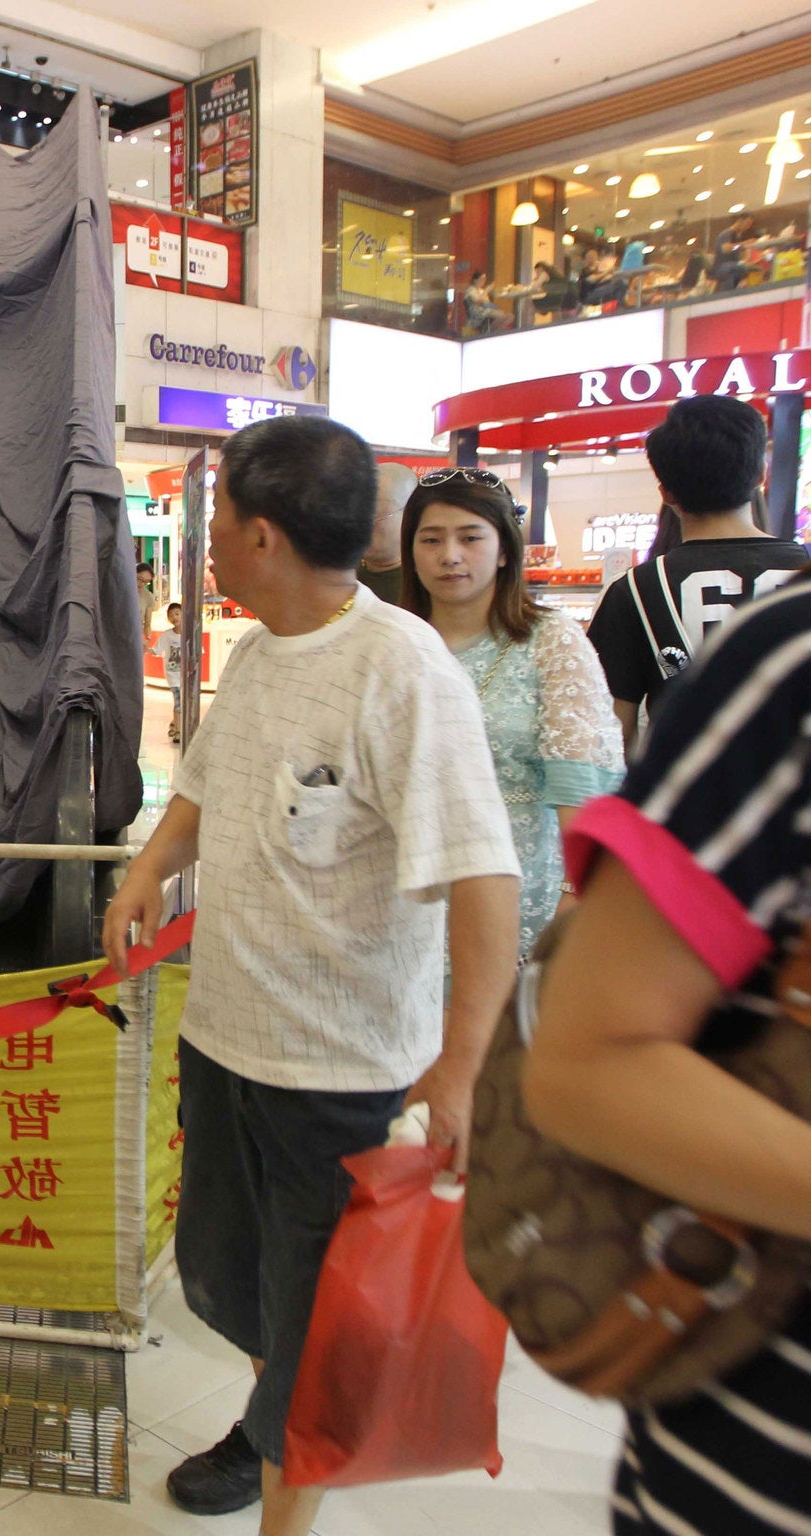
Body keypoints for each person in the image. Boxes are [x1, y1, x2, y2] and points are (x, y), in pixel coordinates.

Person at [101, 417, 521, 1534]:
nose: (209, 547)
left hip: (334, 1077)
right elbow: (201, 784)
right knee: (227, 1286)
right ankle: (262, 1427)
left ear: (263, 537)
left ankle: (287, 1469)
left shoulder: (401, 670)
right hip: (224, 1042)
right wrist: (147, 868)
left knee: (314, 1335)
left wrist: (461, 1069)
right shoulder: (258, 650)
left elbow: (484, 880)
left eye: (220, 523)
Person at [525, 578, 811, 1536]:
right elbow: (590, 1061)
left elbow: (589, 746)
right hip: (763, 1436)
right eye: (430, 536)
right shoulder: (785, 662)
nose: (448, 556)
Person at [401, 469, 624, 952]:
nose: (450, 556)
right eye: (431, 539)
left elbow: (582, 782)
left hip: (525, 903)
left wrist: (576, 896)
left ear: (505, 550)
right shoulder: (394, 644)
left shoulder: (550, 641)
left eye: (470, 537)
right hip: (404, 903)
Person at [587, 395, 807, 753]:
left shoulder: (636, 590)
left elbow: (610, 732)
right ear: (762, 474)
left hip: (680, 799)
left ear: (666, 493)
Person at [357, 460, 417, 606]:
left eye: (372, 515)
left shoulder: (424, 584)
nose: (360, 524)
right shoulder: (341, 576)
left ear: (409, 514)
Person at [157, 601, 185, 742]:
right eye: (171, 615)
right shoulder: (167, 635)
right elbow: (156, 649)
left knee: (182, 701)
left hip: (185, 676)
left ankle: (175, 724)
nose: (174, 618)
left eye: (177, 614)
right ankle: (179, 731)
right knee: (178, 701)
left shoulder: (188, 635)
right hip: (173, 675)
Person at [462, 269, 501, 336]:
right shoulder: (471, 290)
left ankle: (492, 332)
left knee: (506, 316)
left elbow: (486, 303)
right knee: (501, 316)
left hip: (485, 311)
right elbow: (478, 301)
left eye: (485, 279)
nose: (483, 281)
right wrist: (486, 290)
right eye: (482, 279)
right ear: (475, 280)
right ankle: (490, 333)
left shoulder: (481, 290)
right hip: (476, 315)